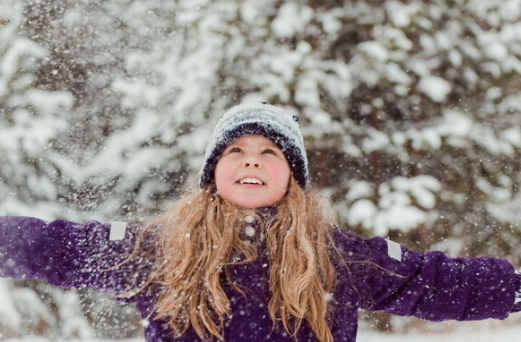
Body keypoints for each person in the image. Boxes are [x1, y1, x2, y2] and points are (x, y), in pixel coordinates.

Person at [0, 103, 520, 342]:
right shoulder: (156, 251)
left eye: (270, 151)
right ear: (213, 174)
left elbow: (440, 283)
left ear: (291, 177)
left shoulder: (335, 257)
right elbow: (53, 247)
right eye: (236, 150)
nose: (252, 160)